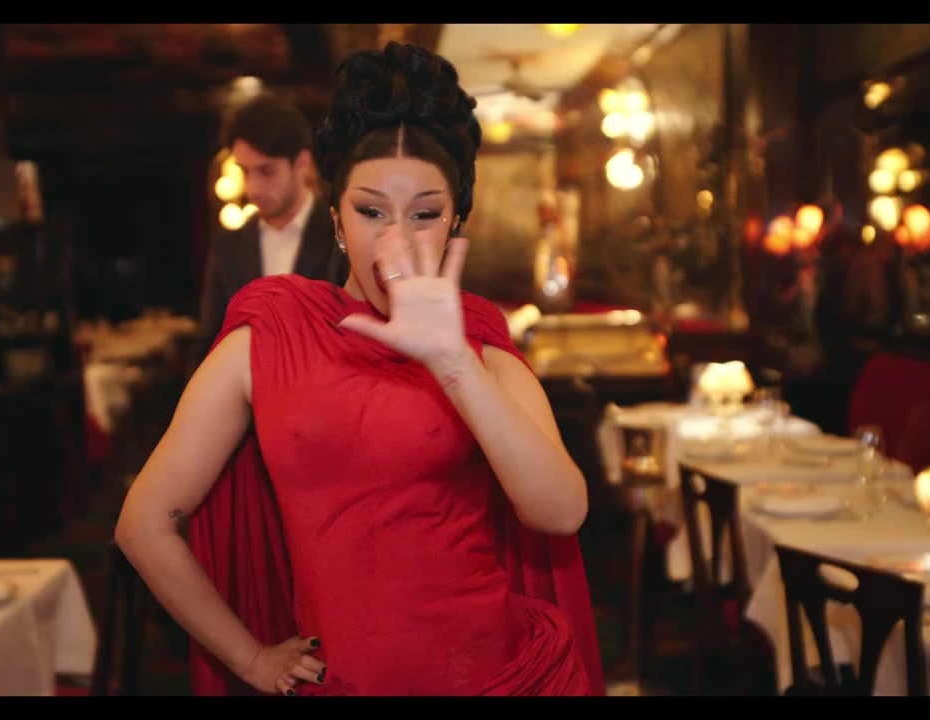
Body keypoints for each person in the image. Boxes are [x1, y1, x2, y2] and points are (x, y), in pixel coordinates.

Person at [115, 41, 603, 696]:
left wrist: (452, 360)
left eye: (425, 215)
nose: (395, 240)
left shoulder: (478, 337)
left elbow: (562, 510)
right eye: (371, 211)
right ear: (337, 219)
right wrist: (251, 659)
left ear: (455, 222)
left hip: (495, 676)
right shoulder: (272, 330)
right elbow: (143, 524)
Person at [187, 92, 350, 377]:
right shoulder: (229, 244)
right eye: (244, 171)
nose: (252, 189)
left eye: (266, 171)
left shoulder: (342, 233)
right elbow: (210, 340)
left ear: (302, 163)